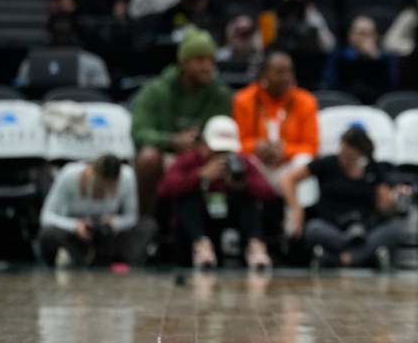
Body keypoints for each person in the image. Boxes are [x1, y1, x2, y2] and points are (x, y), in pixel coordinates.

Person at [131, 28, 233, 216]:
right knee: (147, 157)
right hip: (167, 154)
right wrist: (172, 140)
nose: (207, 66)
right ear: (183, 62)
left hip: (204, 155)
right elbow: (139, 131)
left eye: (211, 60)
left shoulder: (219, 94)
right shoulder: (156, 91)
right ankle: (147, 221)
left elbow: (226, 131)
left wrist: (203, 144)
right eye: (200, 60)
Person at [281, 127, 408, 268]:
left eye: (352, 155)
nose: (346, 158)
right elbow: (288, 180)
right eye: (344, 152)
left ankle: (344, 259)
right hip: (332, 227)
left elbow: (383, 207)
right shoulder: (328, 163)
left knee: (394, 229)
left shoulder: (373, 169)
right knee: (313, 229)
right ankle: (362, 256)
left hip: (365, 229)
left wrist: (395, 198)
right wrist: (297, 209)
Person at [157, 115, 274, 268]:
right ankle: (201, 246)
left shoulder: (242, 162)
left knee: (248, 197)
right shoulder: (190, 160)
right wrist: (200, 176)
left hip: (230, 219)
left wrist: (243, 183)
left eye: (226, 151)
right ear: (205, 145)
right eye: (217, 150)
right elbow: (164, 189)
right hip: (197, 225)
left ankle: (255, 245)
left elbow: (269, 193)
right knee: (188, 193)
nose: (222, 156)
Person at [39, 154, 156, 267]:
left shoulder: (127, 176)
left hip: (110, 236)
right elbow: (46, 217)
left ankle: (105, 259)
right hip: (78, 235)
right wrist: (74, 226)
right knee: (48, 234)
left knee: (148, 225)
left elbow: (132, 217)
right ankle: (84, 257)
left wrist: (117, 223)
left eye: (110, 188)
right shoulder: (70, 175)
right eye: (101, 186)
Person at [232, 51, 319, 192]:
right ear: (264, 74)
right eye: (279, 72)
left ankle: (300, 211)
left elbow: (312, 147)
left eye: (289, 72)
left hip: (287, 170)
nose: (286, 77)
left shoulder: (306, 101)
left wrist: (284, 151)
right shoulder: (243, 100)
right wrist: (256, 146)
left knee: (305, 161)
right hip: (257, 166)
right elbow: (235, 143)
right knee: (242, 161)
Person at [321, 16, 399, 104]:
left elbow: (392, 87)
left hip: (377, 105)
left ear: (376, 36)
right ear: (350, 35)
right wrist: (354, 58)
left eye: (367, 34)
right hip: (345, 104)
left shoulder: (387, 59)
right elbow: (329, 83)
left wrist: (375, 58)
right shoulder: (339, 56)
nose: (362, 39)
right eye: (358, 33)